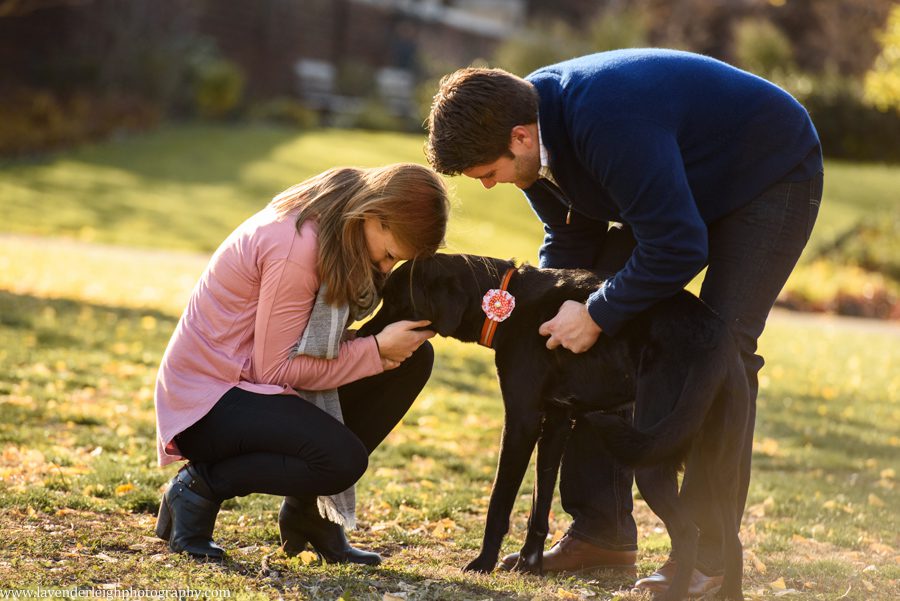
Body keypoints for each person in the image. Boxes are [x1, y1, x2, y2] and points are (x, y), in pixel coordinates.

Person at [426, 49, 822, 595]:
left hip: (768, 174)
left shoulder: (606, 122)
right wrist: (561, 310)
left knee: (718, 350)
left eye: (489, 174)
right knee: (577, 338)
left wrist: (598, 311)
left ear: (519, 138)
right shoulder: (533, 137)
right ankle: (602, 530)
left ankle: (709, 557)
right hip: (677, 188)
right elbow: (572, 241)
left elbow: (678, 244)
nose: (490, 186)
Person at [153, 163, 450, 563]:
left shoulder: (334, 228)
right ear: (374, 216)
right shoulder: (299, 247)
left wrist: (386, 349)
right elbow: (273, 371)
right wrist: (375, 351)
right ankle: (198, 486)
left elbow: (296, 354)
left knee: (412, 361)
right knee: (342, 460)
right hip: (209, 404)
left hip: (251, 387)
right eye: (390, 255)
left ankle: (310, 515)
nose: (385, 269)